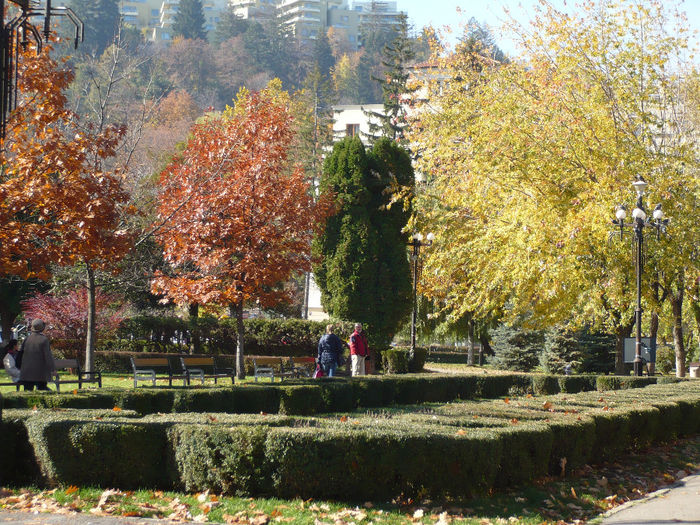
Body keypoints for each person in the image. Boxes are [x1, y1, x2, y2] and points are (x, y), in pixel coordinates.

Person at [18, 319, 55, 391]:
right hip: (40, 373)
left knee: (27, 392)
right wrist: (52, 369)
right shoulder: (44, 340)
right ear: (42, 328)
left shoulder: (27, 339)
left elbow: (20, 353)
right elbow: (47, 356)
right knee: (42, 390)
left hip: (27, 372)